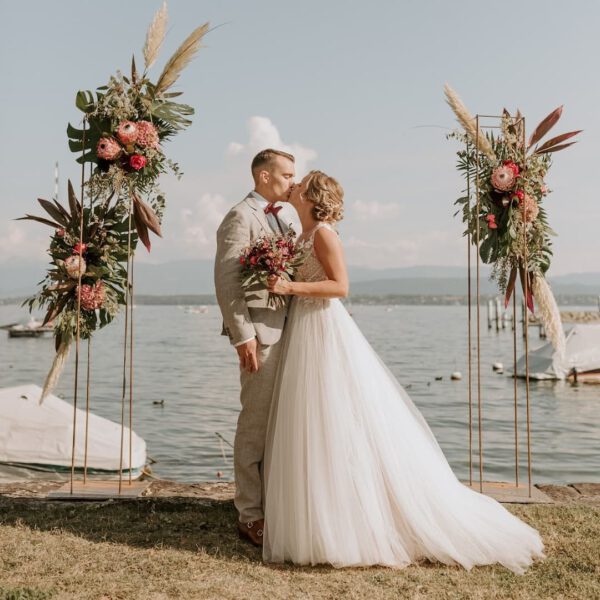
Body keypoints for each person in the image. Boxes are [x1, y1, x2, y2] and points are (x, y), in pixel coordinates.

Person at [263, 170, 544, 573]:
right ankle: (322, 518)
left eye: (299, 181)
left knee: (336, 416)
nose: (292, 185)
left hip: (324, 328)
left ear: (311, 195)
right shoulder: (302, 234)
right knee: (315, 423)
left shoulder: (324, 233)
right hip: (304, 329)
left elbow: (341, 286)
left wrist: (290, 288)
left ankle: (351, 523)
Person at [214, 148, 295, 546]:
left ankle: (275, 503)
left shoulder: (284, 217)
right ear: (264, 177)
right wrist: (243, 335)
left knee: (282, 425)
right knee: (255, 426)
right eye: (286, 176)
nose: (292, 182)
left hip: (290, 333)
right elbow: (227, 280)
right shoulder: (239, 216)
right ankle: (249, 514)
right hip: (259, 337)